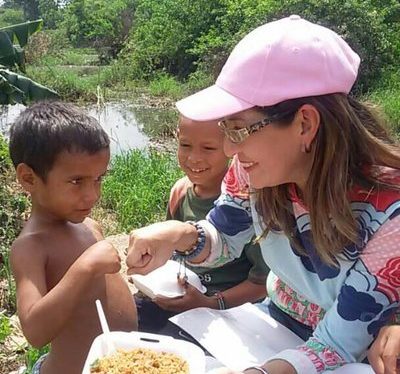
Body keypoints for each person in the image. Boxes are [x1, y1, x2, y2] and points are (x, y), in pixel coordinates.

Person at [126, 15, 400, 374]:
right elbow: (223, 237)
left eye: (238, 129)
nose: (227, 147)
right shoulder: (253, 170)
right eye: (225, 129)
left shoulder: (389, 214)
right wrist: (178, 235)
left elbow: (338, 343)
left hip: (352, 354)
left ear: (305, 124)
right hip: (273, 323)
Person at [9, 102, 137, 374]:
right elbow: (35, 330)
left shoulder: (90, 226)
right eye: (77, 181)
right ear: (29, 179)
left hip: (122, 364)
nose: (92, 195)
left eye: (99, 179)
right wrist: (85, 267)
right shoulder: (31, 246)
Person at [136, 115, 268, 334]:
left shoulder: (248, 205)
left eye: (208, 148)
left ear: (232, 146)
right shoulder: (180, 193)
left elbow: (262, 283)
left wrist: (210, 303)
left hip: (227, 308)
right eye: (185, 145)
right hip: (180, 296)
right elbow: (172, 256)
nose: (194, 158)